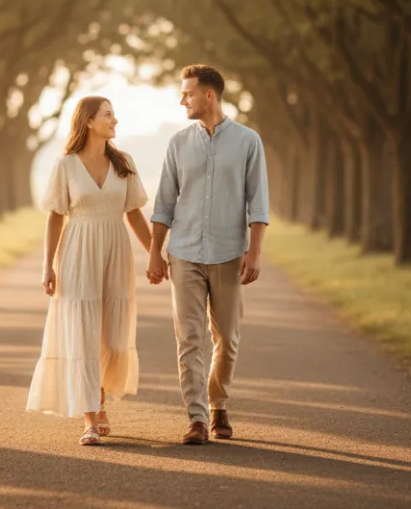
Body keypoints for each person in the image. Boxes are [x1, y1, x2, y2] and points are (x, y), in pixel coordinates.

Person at [147, 64, 269, 445]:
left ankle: (218, 404)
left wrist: (254, 253)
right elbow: (164, 203)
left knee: (227, 339)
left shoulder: (249, 141)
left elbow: (258, 204)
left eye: (188, 93)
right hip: (183, 253)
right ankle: (198, 418)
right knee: (189, 338)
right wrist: (155, 252)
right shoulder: (178, 143)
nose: (182, 100)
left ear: (209, 95)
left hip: (229, 253)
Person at [27, 96, 152, 446]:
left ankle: (98, 398)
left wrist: (156, 254)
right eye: (108, 115)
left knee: (111, 336)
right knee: (82, 334)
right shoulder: (65, 165)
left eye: (114, 113)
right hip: (77, 251)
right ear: (89, 121)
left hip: (116, 249)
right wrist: (47, 265)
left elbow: (134, 214)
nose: (115, 120)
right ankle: (90, 419)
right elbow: (55, 216)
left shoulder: (123, 162)